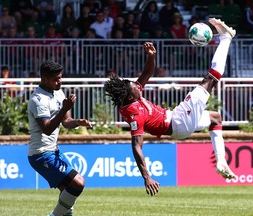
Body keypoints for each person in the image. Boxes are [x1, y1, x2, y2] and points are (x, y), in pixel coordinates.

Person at [104, 18, 237, 196]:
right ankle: (225, 38)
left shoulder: (131, 95)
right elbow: (136, 146)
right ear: (130, 95)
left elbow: (147, 73)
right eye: (134, 86)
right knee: (210, 79)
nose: (137, 85)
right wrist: (146, 177)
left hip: (177, 121)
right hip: (178, 121)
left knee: (215, 118)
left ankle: (221, 161)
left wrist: (151, 56)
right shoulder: (133, 113)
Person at [27, 60, 92, 216]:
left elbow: (66, 123)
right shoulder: (38, 100)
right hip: (40, 154)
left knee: (67, 195)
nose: (60, 81)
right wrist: (64, 108)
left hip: (53, 151)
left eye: (60, 77)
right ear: (44, 79)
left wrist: (78, 122)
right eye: (56, 79)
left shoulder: (58, 92)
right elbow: (47, 129)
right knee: (78, 182)